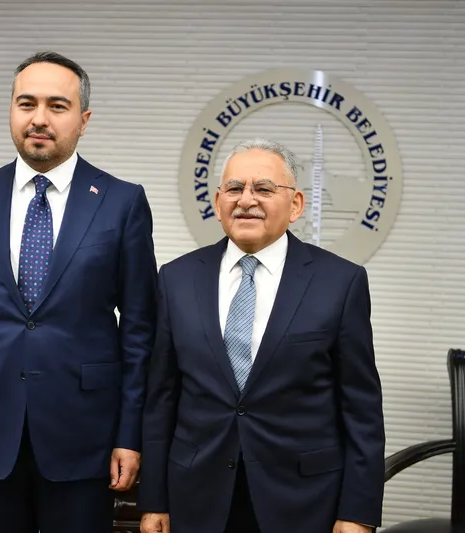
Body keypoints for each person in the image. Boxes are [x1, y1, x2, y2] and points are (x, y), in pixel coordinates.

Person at [0, 51, 157, 533]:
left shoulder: (121, 202)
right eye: (26, 103)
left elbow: (140, 332)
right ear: (11, 110)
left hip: (85, 435)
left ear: (83, 120)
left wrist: (130, 435)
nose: (39, 118)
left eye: (57, 105)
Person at [138, 138, 385, 533]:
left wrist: (357, 512)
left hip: (303, 500)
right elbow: (161, 401)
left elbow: (362, 411)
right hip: (197, 497)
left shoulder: (340, 282)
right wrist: (154, 501)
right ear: (218, 201)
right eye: (234, 188)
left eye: (264, 189)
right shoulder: (176, 278)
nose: (246, 200)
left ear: (296, 205)